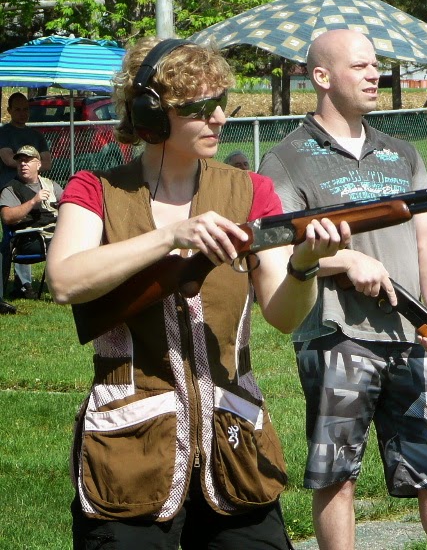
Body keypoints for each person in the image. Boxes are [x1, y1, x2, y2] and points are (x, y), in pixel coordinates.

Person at [45, 37, 351, 548]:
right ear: (151, 115)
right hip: (129, 452)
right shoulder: (94, 189)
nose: (218, 118)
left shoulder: (252, 191)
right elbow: (65, 281)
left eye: (221, 102)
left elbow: (283, 314)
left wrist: (304, 265)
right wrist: (169, 237)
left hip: (236, 448)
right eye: (198, 108)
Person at [259, 29, 427, 550]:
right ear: (322, 77)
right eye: (361, 66)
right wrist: (344, 259)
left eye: (376, 65)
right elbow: (278, 253)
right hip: (336, 338)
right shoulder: (287, 160)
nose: (376, 74)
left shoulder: (401, 154)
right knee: (337, 475)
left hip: (411, 334)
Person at [0, 93, 52, 291]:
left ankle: (25, 284)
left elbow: (47, 163)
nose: (22, 113)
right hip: (9, 189)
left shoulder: (36, 135)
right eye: (18, 109)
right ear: (10, 111)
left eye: (25, 109)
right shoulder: (4, 133)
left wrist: (26, 164)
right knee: (12, 236)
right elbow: (6, 158)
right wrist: (28, 163)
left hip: (34, 188)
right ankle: (14, 284)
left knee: (32, 226)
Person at [0, 145, 62, 299]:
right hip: (28, 239)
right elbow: (7, 217)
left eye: (28, 160)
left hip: (54, 233)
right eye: (20, 161)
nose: (23, 164)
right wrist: (33, 201)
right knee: (63, 242)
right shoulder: (10, 189)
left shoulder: (51, 185)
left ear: (38, 164)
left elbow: (68, 203)